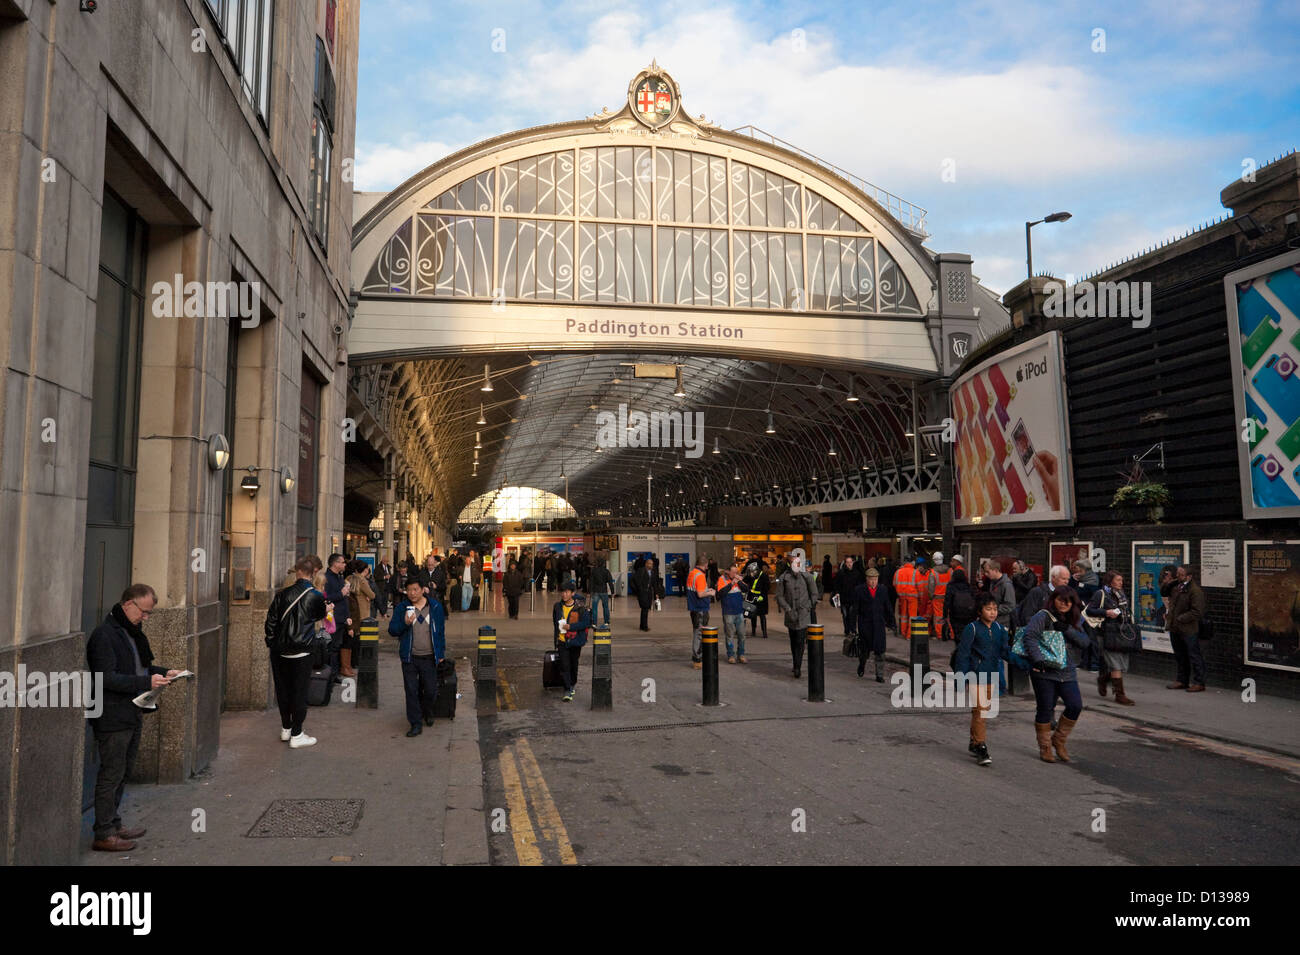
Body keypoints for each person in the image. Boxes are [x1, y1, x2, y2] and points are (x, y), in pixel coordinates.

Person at [86, 583, 184, 851]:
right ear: (128, 604)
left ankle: (114, 823)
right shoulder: (105, 635)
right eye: (144, 612)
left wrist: (165, 672)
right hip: (112, 714)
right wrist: (145, 681)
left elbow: (141, 667)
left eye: (149, 613)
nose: (146, 617)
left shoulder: (132, 633)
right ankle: (104, 833)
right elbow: (105, 677)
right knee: (111, 773)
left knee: (123, 771)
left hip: (132, 711)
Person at [264, 557, 330, 752]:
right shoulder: (315, 595)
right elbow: (318, 616)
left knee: (283, 690)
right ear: (312, 573)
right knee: (299, 692)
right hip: (303, 649)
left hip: (280, 650)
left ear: (298, 572)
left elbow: (271, 621)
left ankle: (286, 727)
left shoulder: (281, 594)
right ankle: (297, 733)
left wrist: (272, 643)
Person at [1022, 587, 1092, 762]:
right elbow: (1029, 636)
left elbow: (1085, 642)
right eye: (1060, 600)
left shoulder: (1076, 619)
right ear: (1053, 599)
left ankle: (1059, 740)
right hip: (1044, 671)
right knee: (1046, 708)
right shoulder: (1043, 616)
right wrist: (1037, 659)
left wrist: (1067, 629)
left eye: (1067, 601)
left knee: (1075, 705)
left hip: (1067, 671)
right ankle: (1045, 747)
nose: (1063, 604)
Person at [953, 593, 1010, 766]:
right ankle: (981, 747)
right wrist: (960, 678)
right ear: (980, 611)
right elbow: (962, 654)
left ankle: (973, 742)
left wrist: (1026, 661)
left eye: (994, 609)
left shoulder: (1000, 629)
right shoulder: (972, 628)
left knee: (979, 711)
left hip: (991, 675)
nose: (992, 612)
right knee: (981, 711)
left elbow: (1005, 652)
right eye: (988, 609)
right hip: (975, 675)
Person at [388, 578, 446, 737]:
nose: (412, 593)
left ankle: (427, 711)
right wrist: (405, 623)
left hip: (429, 657)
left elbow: (440, 632)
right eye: (409, 590)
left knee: (430, 690)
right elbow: (392, 630)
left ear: (422, 589)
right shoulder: (402, 608)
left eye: (415, 589)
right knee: (411, 691)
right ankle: (415, 723)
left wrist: (441, 653)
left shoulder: (435, 607)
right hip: (410, 657)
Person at [1087, 570, 1138, 705]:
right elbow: (1089, 610)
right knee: (1115, 664)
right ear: (1110, 581)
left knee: (1121, 664)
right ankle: (1120, 695)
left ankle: (1103, 679)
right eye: (1118, 580)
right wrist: (1106, 612)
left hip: (1121, 632)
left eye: (1121, 580)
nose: (1121, 583)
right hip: (1107, 633)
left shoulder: (1121, 595)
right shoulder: (1101, 594)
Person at [775, 549, 818, 677]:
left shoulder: (807, 577)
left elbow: (814, 594)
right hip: (790, 614)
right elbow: (779, 596)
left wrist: (808, 606)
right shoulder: (784, 578)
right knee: (793, 640)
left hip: (803, 614)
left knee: (800, 640)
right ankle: (795, 663)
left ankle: (797, 666)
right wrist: (787, 608)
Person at [1165, 564, 1207, 692]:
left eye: (1181, 574)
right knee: (1180, 655)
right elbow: (1164, 592)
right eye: (1177, 573)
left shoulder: (1195, 591)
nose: (1178, 576)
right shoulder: (1177, 586)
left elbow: (1197, 612)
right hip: (1175, 627)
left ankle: (1199, 682)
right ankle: (1182, 680)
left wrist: (1180, 618)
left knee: (1194, 655)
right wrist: (1168, 582)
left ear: (1189, 576)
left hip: (1189, 629)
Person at [552, 581, 591, 703]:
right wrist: (556, 640)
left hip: (575, 642)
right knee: (564, 666)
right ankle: (567, 689)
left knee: (574, 665)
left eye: (566, 592)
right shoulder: (557, 606)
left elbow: (586, 623)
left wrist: (571, 627)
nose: (564, 594)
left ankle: (572, 683)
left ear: (572, 593)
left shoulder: (580, 608)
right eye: (562, 592)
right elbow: (555, 623)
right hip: (562, 641)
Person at [853, 567, 891, 681]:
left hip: (879, 624)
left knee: (880, 651)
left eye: (875, 579)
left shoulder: (882, 590)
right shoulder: (859, 590)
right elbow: (855, 609)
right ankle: (862, 664)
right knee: (865, 650)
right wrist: (852, 626)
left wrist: (891, 622)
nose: (873, 581)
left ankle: (879, 675)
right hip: (865, 625)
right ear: (867, 579)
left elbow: (887, 606)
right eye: (871, 579)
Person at [343, 561, 375, 678]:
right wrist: (368, 596)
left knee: (351, 637)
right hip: (362, 612)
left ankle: (350, 663)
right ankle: (355, 661)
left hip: (351, 610)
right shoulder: (361, 580)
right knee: (358, 638)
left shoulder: (348, 578)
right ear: (364, 570)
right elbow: (372, 595)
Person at [686, 556, 716, 668]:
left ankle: (697, 658)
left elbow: (696, 590)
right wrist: (711, 593)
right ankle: (697, 660)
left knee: (696, 632)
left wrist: (706, 590)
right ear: (705, 565)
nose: (707, 567)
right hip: (700, 609)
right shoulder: (700, 576)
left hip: (694, 608)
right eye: (707, 565)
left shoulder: (692, 573)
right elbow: (700, 594)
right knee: (699, 634)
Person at [717, 562, 747, 663]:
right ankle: (731, 655)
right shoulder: (722, 579)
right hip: (728, 612)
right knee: (729, 635)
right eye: (733, 572)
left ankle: (741, 654)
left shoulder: (738, 579)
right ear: (728, 572)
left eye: (736, 572)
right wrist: (731, 584)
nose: (735, 574)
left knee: (742, 634)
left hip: (739, 611)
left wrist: (738, 582)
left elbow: (746, 589)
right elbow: (720, 594)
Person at [943, 567, 979, 644]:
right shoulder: (968, 586)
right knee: (968, 633)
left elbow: (947, 601)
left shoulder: (951, 586)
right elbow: (974, 599)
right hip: (969, 614)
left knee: (958, 633)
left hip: (955, 614)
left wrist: (945, 614)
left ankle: (960, 649)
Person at [836, 555, 864, 637]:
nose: (849, 564)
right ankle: (847, 631)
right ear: (845, 563)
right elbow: (837, 585)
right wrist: (837, 593)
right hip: (843, 599)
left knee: (853, 615)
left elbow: (860, 586)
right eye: (847, 562)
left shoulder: (857, 573)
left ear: (853, 563)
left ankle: (853, 630)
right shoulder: (841, 573)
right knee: (845, 616)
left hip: (853, 599)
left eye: (850, 562)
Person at [893, 556, 921, 638]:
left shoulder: (898, 572)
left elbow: (894, 584)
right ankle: (909, 635)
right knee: (912, 616)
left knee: (903, 616)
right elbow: (919, 587)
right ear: (912, 562)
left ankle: (903, 632)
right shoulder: (916, 572)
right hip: (913, 597)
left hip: (902, 596)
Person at [927, 551, 952, 640]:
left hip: (937, 597)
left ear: (934, 560)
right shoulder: (949, 570)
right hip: (948, 597)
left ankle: (940, 634)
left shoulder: (933, 572)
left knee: (938, 616)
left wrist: (931, 596)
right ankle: (951, 634)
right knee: (949, 615)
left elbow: (931, 587)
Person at [744, 560, 770, 639]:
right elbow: (744, 580)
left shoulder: (764, 576)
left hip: (761, 599)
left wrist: (762, 596)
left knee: (762, 616)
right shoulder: (751, 575)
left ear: (756, 570)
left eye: (752, 572)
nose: (751, 574)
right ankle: (753, 631)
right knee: (752, 615)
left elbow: (767, 588)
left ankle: (764, 632)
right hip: (752, 597)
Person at [589, 556, 614, 627]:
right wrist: (612, 592)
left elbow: (591, 582)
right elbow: (610, 582)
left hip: (596, 591)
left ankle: (594, 623)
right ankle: (606, 621)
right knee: (605, 607)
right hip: (604, 591)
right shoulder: (606, 571)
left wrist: (589, 592)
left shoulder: (594, 571)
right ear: (604, 563)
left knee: (594, 608)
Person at [631, 557, 653, 631]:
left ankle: (642, 625)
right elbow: (635, 580)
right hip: (643, 592)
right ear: (646, 564)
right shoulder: (641, 570)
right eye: (649, 564)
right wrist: (640, 589)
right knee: (645, 608)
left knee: (645, 609)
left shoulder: (652, 572)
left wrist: (656, 593)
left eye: (652, 564)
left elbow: (653, 583)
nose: (651, 565)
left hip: (649, 593)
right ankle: (644, 626)